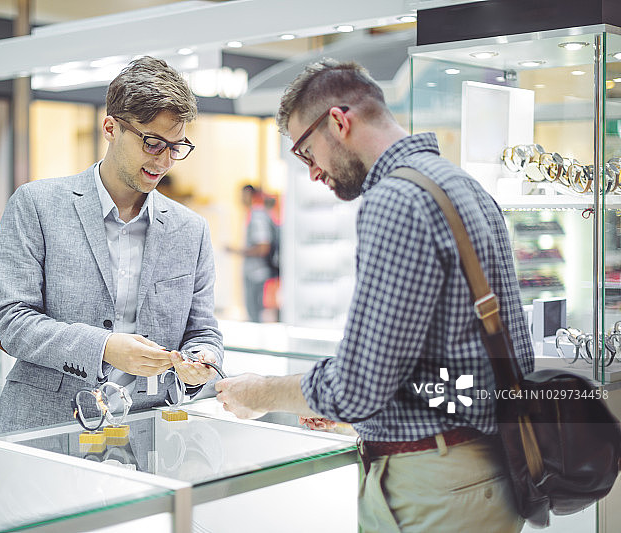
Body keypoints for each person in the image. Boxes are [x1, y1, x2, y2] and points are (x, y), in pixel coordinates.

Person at [215, 58, 534, 533]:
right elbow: (460, 359)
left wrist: (261, 392)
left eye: (306, 153)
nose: (313, 174)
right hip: (486, 470)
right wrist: (370, 412)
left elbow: (360, 385)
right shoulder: (461, 186)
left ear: (339, 121)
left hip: (434, 483)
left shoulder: (395, 200)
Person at [0, 56, 223, 435]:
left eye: (176, 147)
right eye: (152, 143)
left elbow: (203, 331)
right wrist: (104, 347)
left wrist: (202, 360)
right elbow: (12, 321)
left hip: (151, 435)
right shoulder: (36, 204)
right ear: (110, 128)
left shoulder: (190, 229)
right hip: (45, 428)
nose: (164, 161)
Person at [226, 184, 276, 322]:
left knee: (256, 314)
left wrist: (237, 250)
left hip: (257, 274)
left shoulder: (257, 217)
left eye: (243, 195)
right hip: (252, 273)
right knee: (252, 312)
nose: (241, 199)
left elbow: (263, 247)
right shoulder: (250, 215)